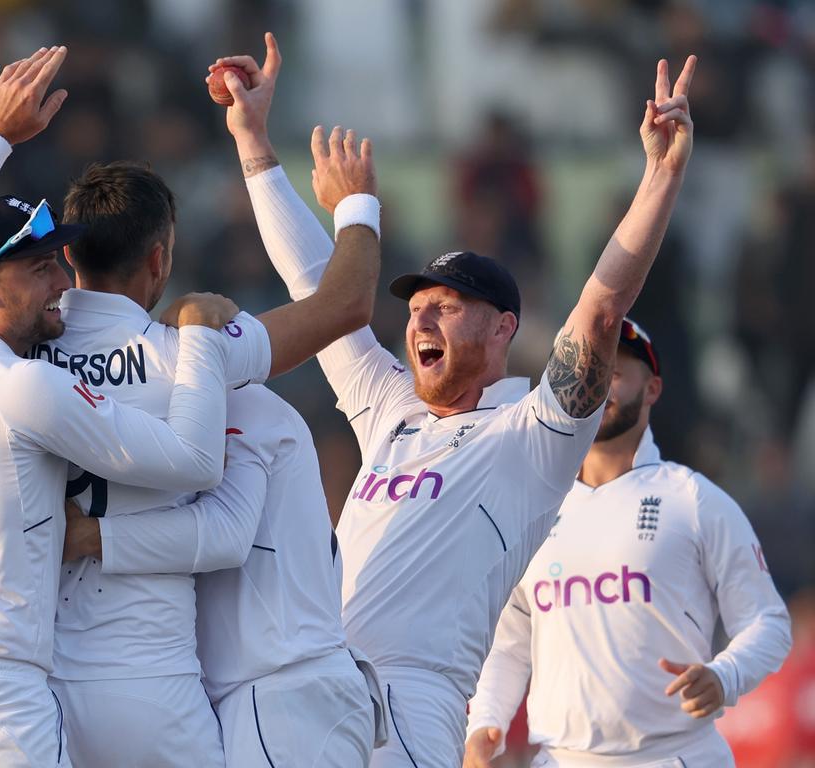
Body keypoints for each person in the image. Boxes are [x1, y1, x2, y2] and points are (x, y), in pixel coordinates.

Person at [214, 33, 699, 767]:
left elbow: (601, 308)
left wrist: (660, 176)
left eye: (447, 305)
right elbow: (317, 289)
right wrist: (254, 145)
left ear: (503, 326)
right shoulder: (389, 406)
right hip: (313, 685)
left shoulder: (530, 434)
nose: (420, 318)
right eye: (415, 306)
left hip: (411, 710)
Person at [0, 43, 385, 767]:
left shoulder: (13, 349)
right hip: (151, 687)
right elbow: (345, 304)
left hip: (41, 688)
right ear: (161, 258)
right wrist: (354, 200)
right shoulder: (189, 353)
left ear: (66, 257)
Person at [0, 47, 264, 768]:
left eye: (58, 260)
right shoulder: (20, 384)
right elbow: (195, 462)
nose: (60, 282)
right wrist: (198, 333)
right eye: (39, 267)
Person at [464, 319, 792, 767]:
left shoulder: (693, 499)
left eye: (613, 372)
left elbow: (769, 623)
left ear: (653, 388)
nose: (596, 385)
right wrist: (485, 725)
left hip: (677, 756)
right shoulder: (530, 507)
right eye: (586, 371)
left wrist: (723, 677)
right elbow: (509, 643)